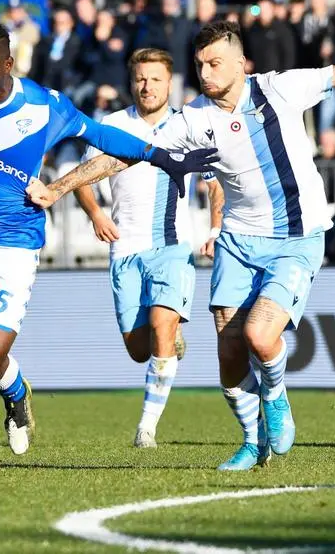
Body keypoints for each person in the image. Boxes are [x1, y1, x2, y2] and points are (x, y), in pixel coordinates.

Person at [27, 20, 335, 470]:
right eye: (200, 65)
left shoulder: (282, 89)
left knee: (262, 337)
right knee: (229, 353)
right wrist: (58, 188)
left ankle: (276, 397)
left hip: (296, 238)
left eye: (215, 63)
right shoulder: (195, 118)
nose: (205, 73)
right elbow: (122, 155)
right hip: (239, 241)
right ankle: (251, 440)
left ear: (241, 63)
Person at [0, 22, 218, 455]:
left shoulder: (43, 106)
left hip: (14, 248)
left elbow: (101, 135)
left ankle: (16, 396)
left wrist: (160, 156)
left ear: (8, 65)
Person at [52, 48, 225, 448]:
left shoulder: (188, 126)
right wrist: (96, 214)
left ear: (170, 83)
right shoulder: (111, 126)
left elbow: (213, 184)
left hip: (172, 246)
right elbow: (81, 178)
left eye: (156, 79)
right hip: (124, 248)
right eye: (141, 79)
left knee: (163, 328)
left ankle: (146, 428)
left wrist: (215, 228)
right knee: (137, 349)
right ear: (132, 82)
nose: (147, 86)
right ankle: (166, 342)